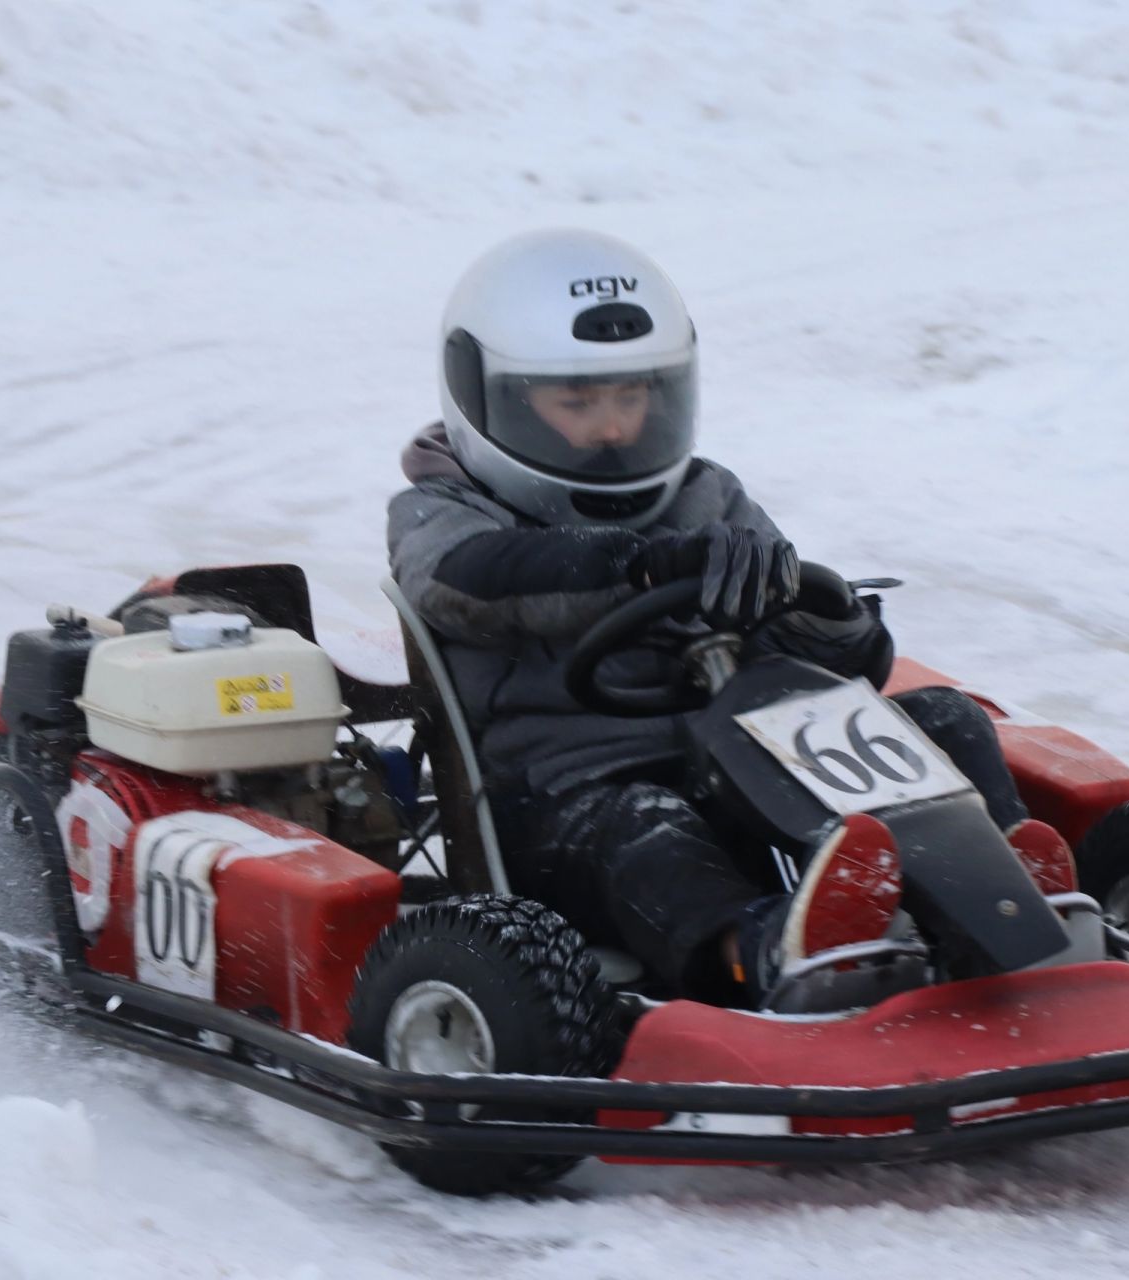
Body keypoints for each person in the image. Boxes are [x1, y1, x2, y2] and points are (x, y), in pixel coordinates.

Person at [387, 229, 1072, 1006]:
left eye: (631, 396)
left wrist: (831, 612)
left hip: (737, 766)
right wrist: (635, 564)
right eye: (577, 401)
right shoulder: (442, 514)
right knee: (651, 828)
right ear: (491, 396)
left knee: (945, 717)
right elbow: (473, 584)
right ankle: (771, 956)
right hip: (564, 807)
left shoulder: (706, 496)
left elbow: (833, 661)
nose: (612, 428)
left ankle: (1021, 902)